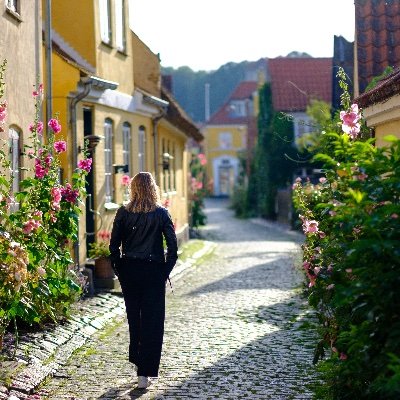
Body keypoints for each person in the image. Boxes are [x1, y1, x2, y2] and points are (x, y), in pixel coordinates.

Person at [109, 172, 178, 389]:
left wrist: (121, 270)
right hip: (153, 271)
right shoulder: (161, 213)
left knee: (134, 319)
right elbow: (173, 248)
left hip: (130, 270)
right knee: (153, 321)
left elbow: (113, 247)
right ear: (153, 188)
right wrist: (164, 271)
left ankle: (139, 363)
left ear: (134, 188)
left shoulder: (123, 213)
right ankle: (145, 372)